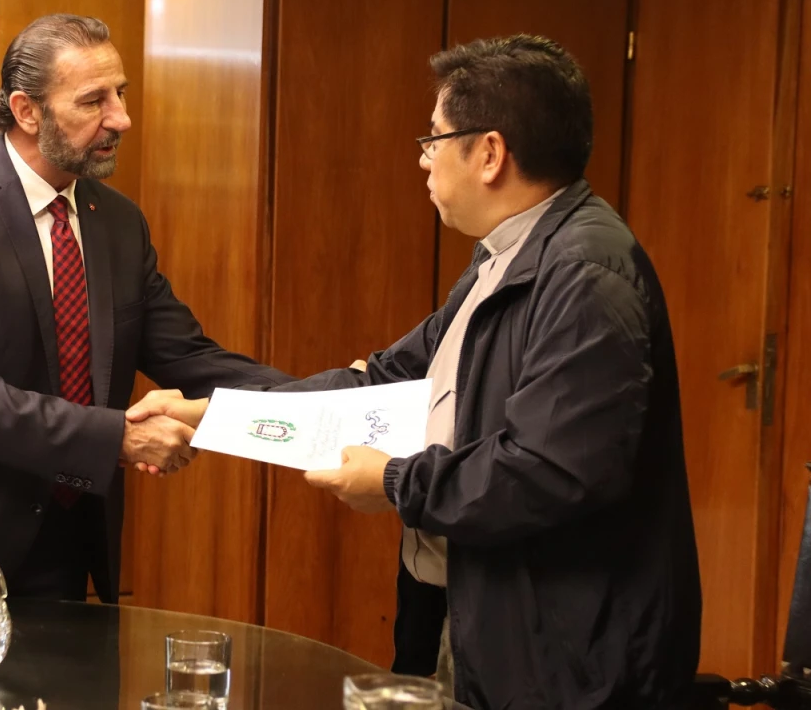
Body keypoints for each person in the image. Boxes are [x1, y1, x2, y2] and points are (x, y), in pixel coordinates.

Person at [130, 35, 701, 709]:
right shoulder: (503, 258)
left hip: (567, 651)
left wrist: (395, 480)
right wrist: (213, 415)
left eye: (435, 138)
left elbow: (550, 469)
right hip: (487, 613)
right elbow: (380, 381)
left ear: (488, 153)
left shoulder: (583, 273)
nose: (425, 160)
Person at [0, 14, 289, 604]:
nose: (121, 118)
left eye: (120, 94)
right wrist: (116, 437)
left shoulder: (118, 222)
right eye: (94, 100)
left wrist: (324, 407)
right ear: (27, 111)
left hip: (65, 555)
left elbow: (191, 357)